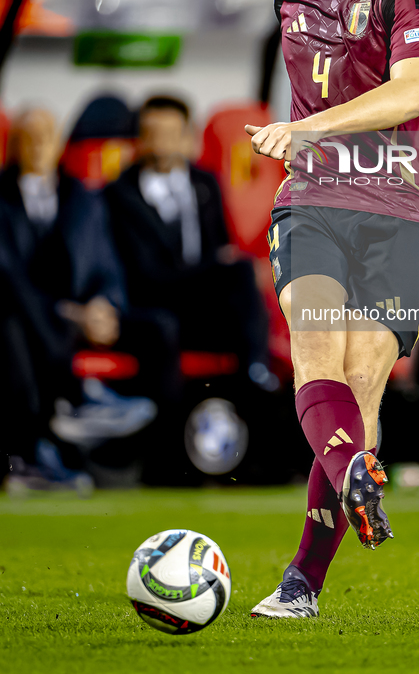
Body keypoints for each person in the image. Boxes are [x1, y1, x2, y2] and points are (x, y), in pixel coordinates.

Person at [246, 0, 419, 618]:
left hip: (400, 203)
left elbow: (413, 92)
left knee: (359, 390)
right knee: (315, 344)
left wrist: (305, 127)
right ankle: (312, 561)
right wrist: (305, 144)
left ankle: (307, 571)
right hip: (315, 200)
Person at [0, 108, 158, 493]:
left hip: (71, 317)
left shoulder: (83, 197)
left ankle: (39, 453)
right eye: (29, 137)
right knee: (10, 314)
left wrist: (105, 304)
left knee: (160, 327)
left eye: (46, 136)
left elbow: (105, 262)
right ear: (15, 145)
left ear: (59, 145)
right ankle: (73, 400)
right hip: (24, 312)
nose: (38, 146)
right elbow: (8, 272)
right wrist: (66, 313)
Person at [104, 95, 272, 385]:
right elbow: (142, 270)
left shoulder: (205, 182)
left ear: (186, 137)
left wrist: (224, 263)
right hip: (154, 297)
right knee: (239, 272)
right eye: (152, 133)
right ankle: (256, 374)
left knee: (246, 278)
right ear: (139, 138)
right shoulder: (120, 192)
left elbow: (220, 243)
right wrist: (219, 265)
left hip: (202, 302)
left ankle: (256, 376)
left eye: (170, 134)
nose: (161, 143)